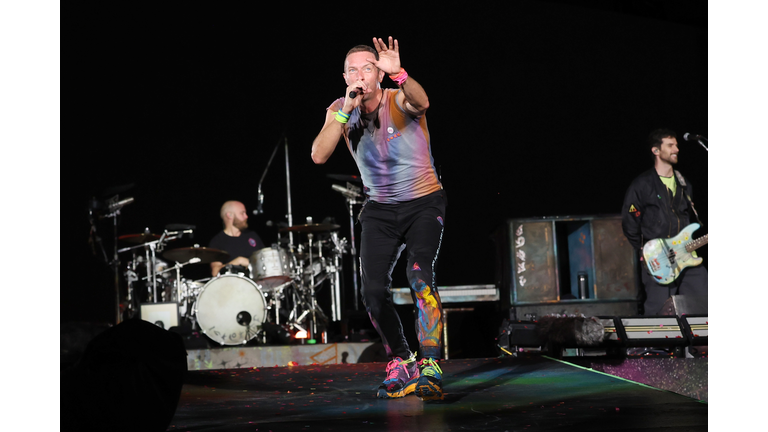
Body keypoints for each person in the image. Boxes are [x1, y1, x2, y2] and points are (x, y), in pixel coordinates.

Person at [311, 37, 446, 401]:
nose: (360, 75)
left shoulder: (396, 97)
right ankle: (402, 359)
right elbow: (319, 155)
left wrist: (400, 73)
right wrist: (343, 111)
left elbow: (422, 101)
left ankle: (431, 363)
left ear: (378, 74)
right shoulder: (341, 110)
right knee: (372, 292)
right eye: (352, 70)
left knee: (419, 276)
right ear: (345, 76)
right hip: (380, 209)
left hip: (423, 202)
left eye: (367, 68)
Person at [621, 129, 708, 316]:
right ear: (656, 151)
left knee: (703, 304)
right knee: (658, 313)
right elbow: (630, 221)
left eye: (676, 145)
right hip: (659, 258)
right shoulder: (642, 185)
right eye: (670, 145)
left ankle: (699, 345)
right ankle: (652, 346)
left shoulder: (684, 183)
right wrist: (643, 250)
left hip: (687, 255)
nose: (676, 149)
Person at [208, 200, 265, 277]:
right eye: (242, 213)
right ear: (230, 215)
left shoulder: (252, 236)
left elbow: (265, 262)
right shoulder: (217, 242)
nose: (246, 216)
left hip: (256, 283)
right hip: (232, 285)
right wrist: (238, 261)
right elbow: (215, 272)